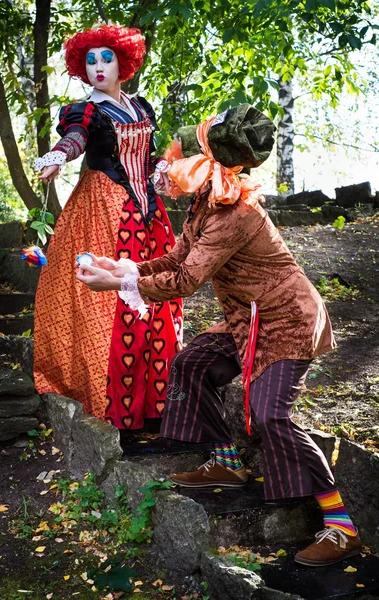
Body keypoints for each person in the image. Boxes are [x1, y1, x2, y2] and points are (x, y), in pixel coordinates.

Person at [76, 104, 362, 566]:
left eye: (171, 158)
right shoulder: (208, 201)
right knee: (191, 365)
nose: (162, 167)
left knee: (271, 417)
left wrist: (120, 285)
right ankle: (227, 463)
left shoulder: (234, 211)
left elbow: (185, 282)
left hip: (286, 318)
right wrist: (125, 267)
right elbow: (174, 261)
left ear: (200, 163)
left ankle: (341, 524)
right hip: (246, 318)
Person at [34, 25, 182, 428]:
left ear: (123, 62)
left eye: (106, 58)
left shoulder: (142, 108)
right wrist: (57, 157)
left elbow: (149, 159)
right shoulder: (85, 111)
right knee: (112, 302)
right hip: (104, 209)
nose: (98, 67)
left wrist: (162, 176)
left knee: (154, 293)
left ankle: (156, 406)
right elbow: (76, 138)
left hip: (148, 213)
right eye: (90, 60)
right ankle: (117, 409)